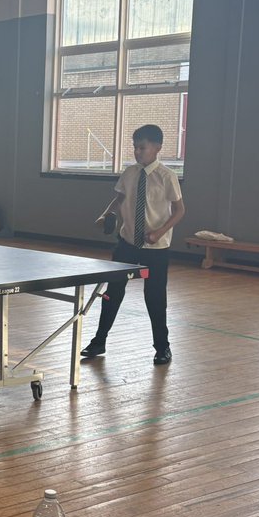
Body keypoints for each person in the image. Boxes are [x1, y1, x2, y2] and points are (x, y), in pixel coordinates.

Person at [82, 124, 185, 365]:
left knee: (155, 298)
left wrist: (159, 232)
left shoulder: (167, 177)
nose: (137, 152)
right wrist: (105, 215)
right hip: (127, 243)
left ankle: (162, 347)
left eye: (142, 148)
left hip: (156, 248)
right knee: (113, 292)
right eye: (135, 147)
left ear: (157, 148)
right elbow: (119, 199)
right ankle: (99, 341)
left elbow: (180, 210)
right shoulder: (129, 173)